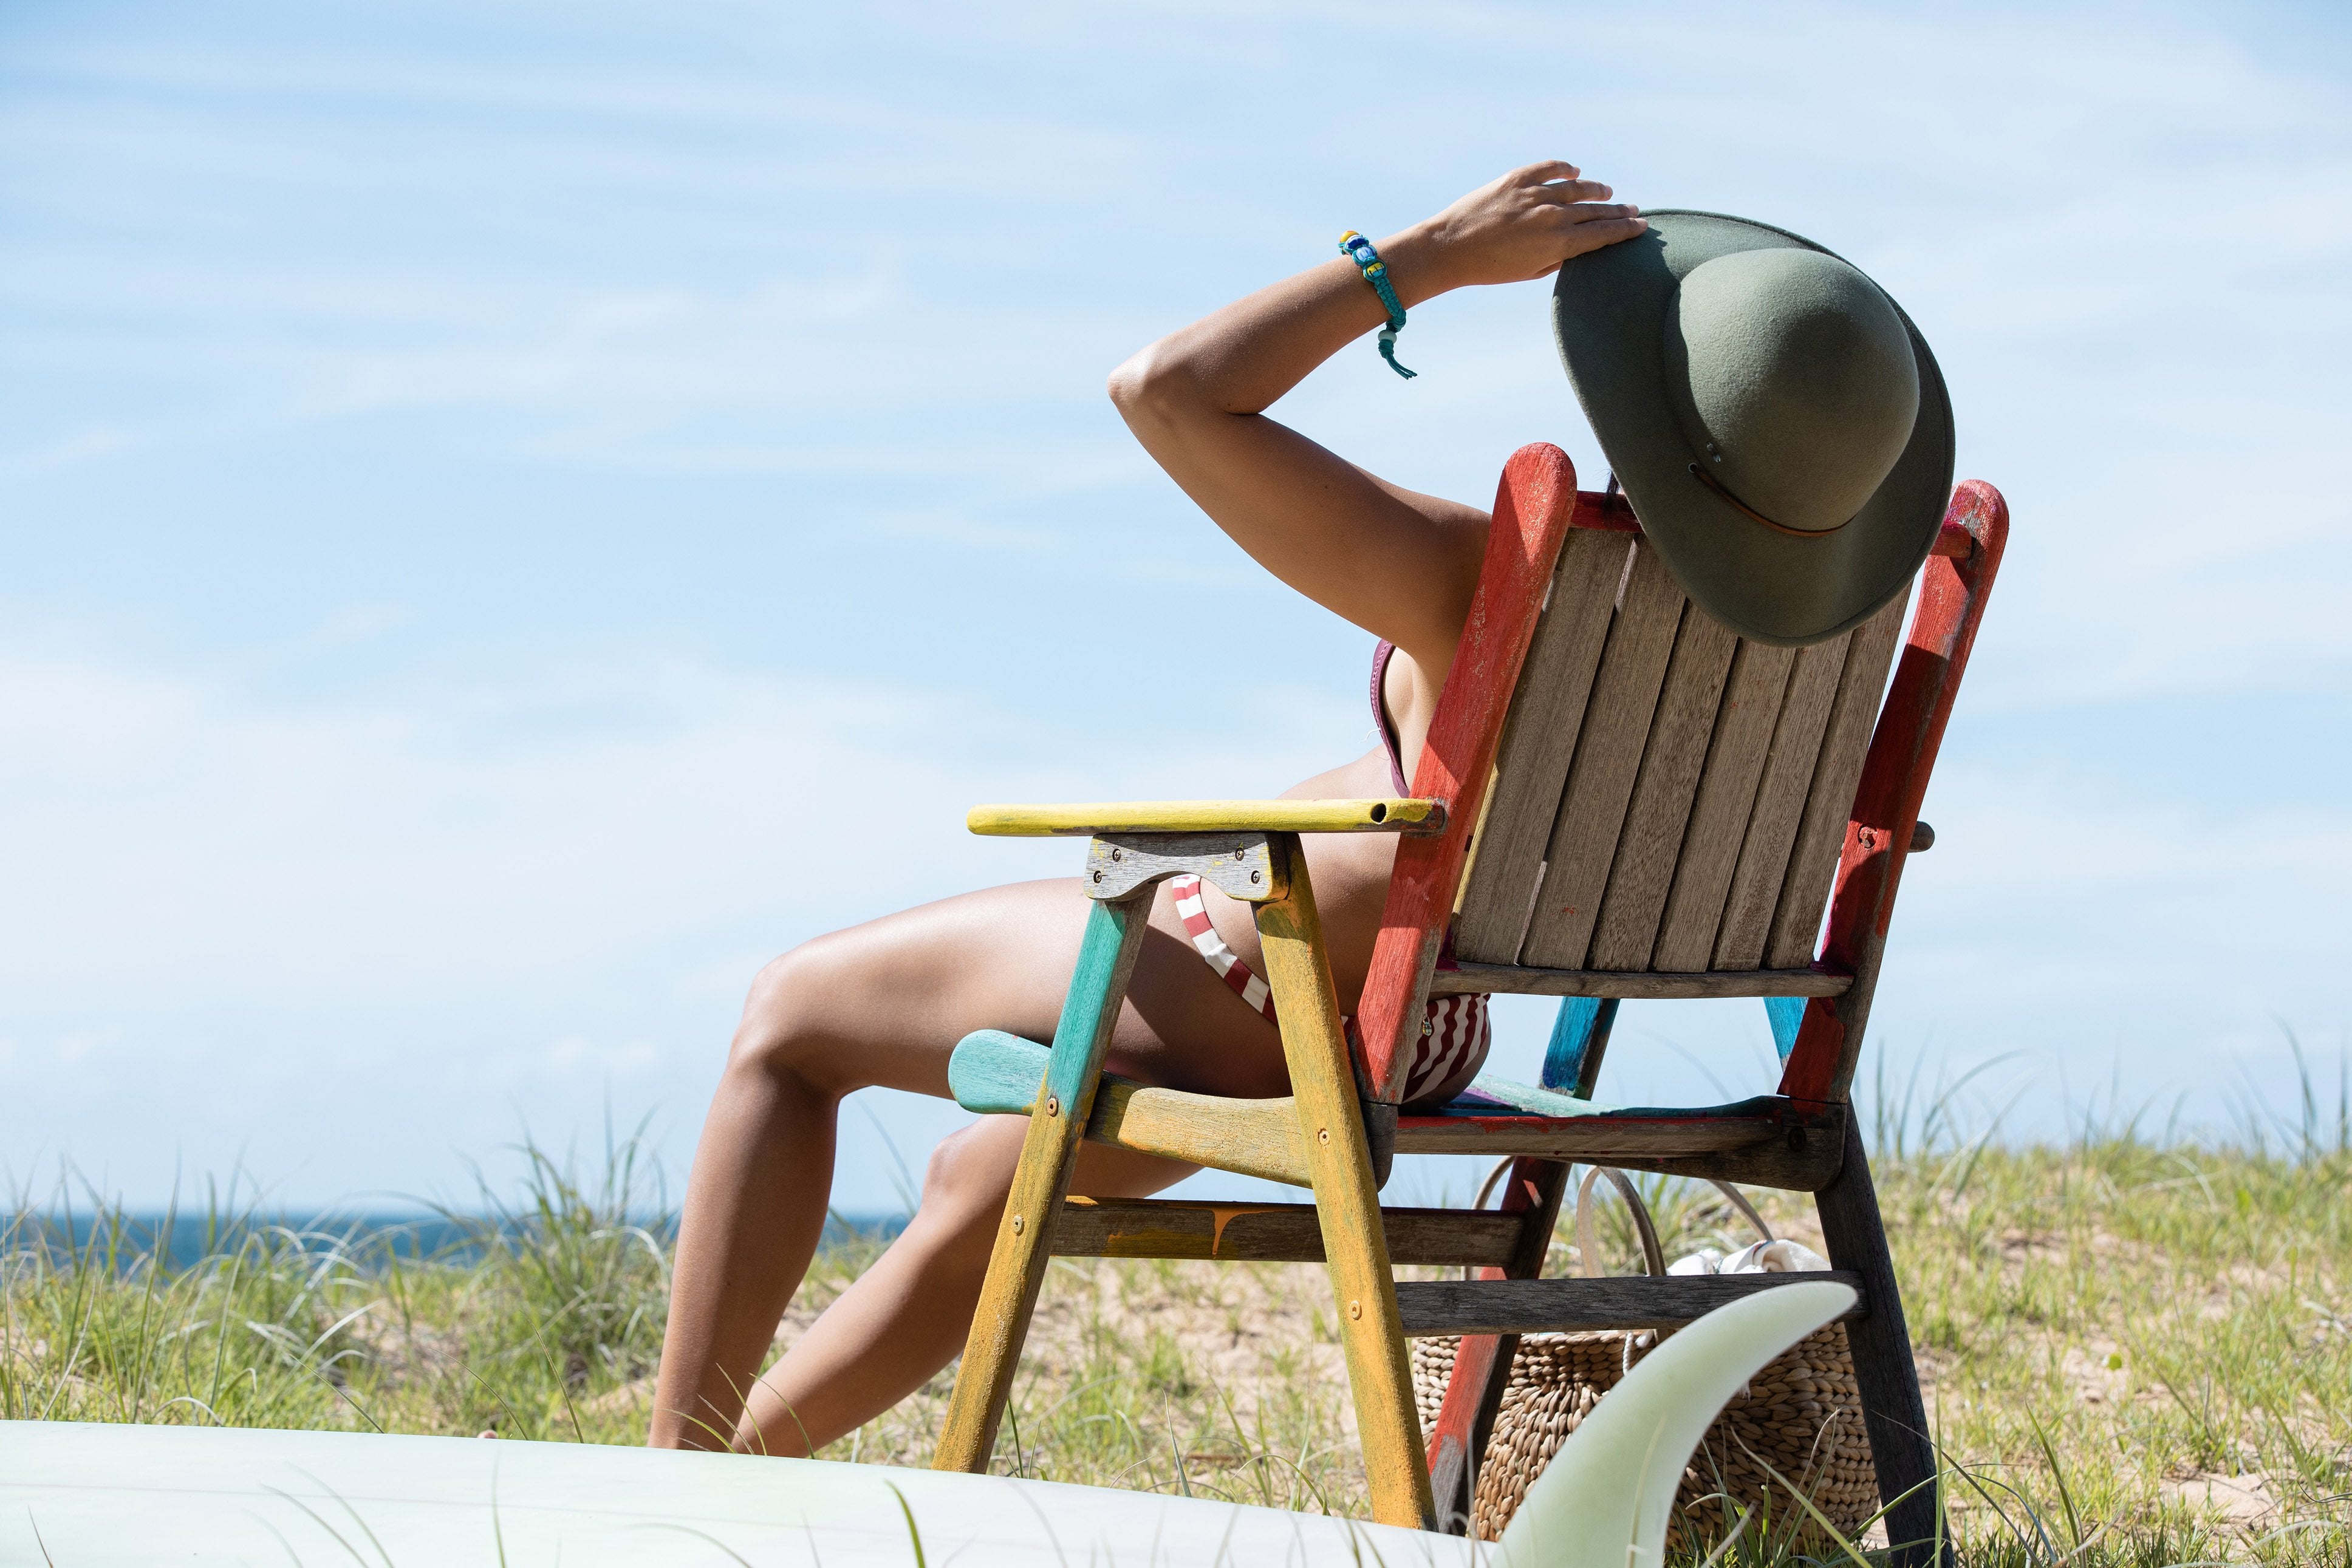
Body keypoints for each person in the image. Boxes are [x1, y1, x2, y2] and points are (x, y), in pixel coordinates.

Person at [648, 162, 1648, 1456]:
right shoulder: (1815, 649)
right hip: (1426, 1020)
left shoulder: (1507, 581)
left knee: (791, 1017)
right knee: (980, 1179)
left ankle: (670, 1474)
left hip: (1257, 978)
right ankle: (726, 1485)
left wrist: (1437, 252)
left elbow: (1167, 389)